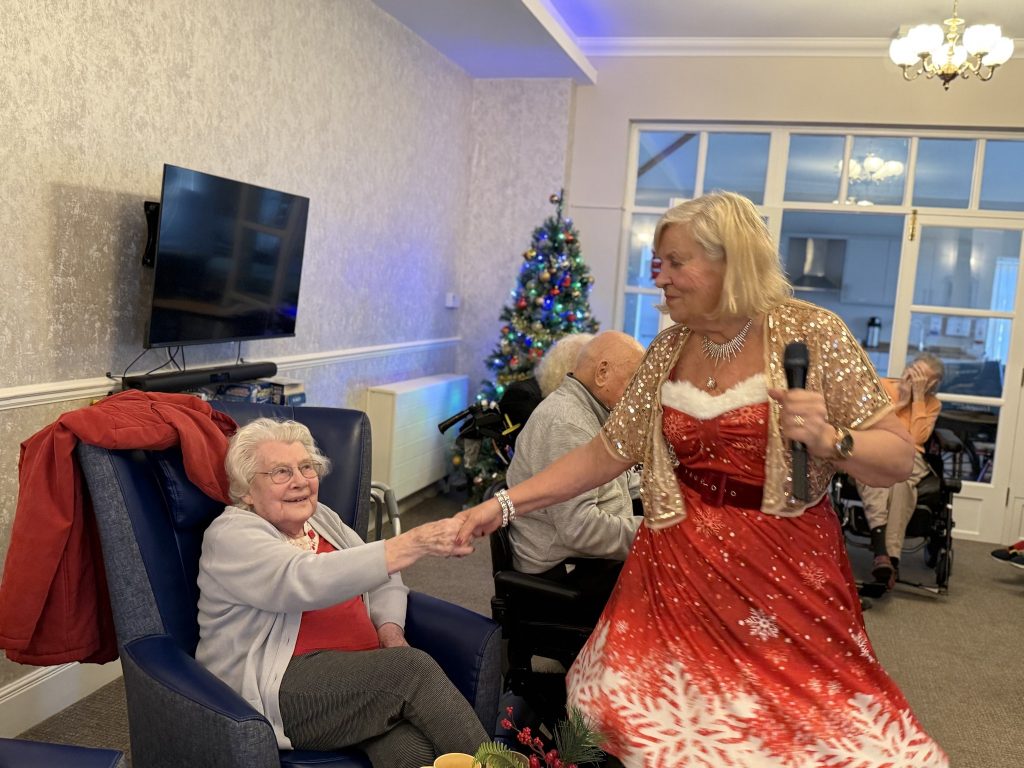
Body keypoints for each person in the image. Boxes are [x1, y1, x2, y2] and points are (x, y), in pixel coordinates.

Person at [456, 192, 948, 766]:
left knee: (796, 732)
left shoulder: (813, 334)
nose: (657, 275)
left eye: (674, 261)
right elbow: (606, 452)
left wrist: (831, 441)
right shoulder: (667, 350)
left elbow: (894, 457)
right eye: (656, 261)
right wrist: (505, 505)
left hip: (780, 572)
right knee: (646, 719)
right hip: (675, 567)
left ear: (730, 262)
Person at [195, 418, 487, 768]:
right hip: (281, 688)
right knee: (412, 672)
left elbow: (382, 578)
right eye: (281, 472)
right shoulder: (231, 535)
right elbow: (302, 580)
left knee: (410, 748)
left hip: (356, 679)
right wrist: (411, 543)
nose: (300, 481)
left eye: (307, 467)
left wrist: (389, 631)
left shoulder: (321, 519)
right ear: (245, 489)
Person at [506, 331, 644, 620]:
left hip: (583, 559)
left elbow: (625, 481)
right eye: (634, 380)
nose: (638, 393)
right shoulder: (568, 424)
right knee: (674, 588)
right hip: (565, 573)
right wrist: (650, 533)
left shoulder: (589, 412)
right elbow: (579, 529)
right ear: (602, 372)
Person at [855, 354, 945, 590]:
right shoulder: (882, 386)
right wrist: (902, 403)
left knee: (900, 482)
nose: (913, 378)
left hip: (908, 457)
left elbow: (916, 438)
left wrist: (917, 400)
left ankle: (885, 558)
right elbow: (866, 423)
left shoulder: (932, 403)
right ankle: (887, 557)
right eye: (913, 370)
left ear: (932, 385)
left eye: (921, 378)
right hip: (876, 449)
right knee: (885, 478)